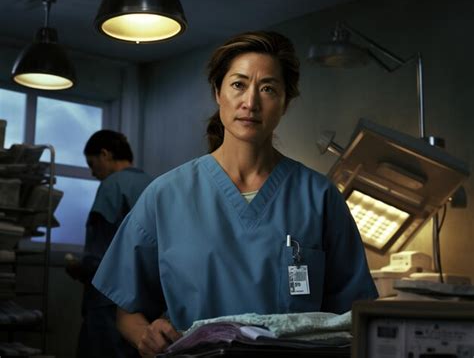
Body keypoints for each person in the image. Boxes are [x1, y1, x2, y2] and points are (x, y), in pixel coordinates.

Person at [93, 31, 378, 356]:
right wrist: (147, 335)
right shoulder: (166, 195)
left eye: (268, 88)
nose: (251, 102)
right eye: (238, 84)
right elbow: (126, 310)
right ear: (218, 92)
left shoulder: (318, 196)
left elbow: (353, 314)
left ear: (285, 102)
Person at [65, 130, 153, 358]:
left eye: (92, 164)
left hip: (109, 300)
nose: (93, 173)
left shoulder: (111, 186)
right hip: (148, 303)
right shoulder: (155, 185)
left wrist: (78, 268)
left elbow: (99, 255)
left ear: (105, 154)